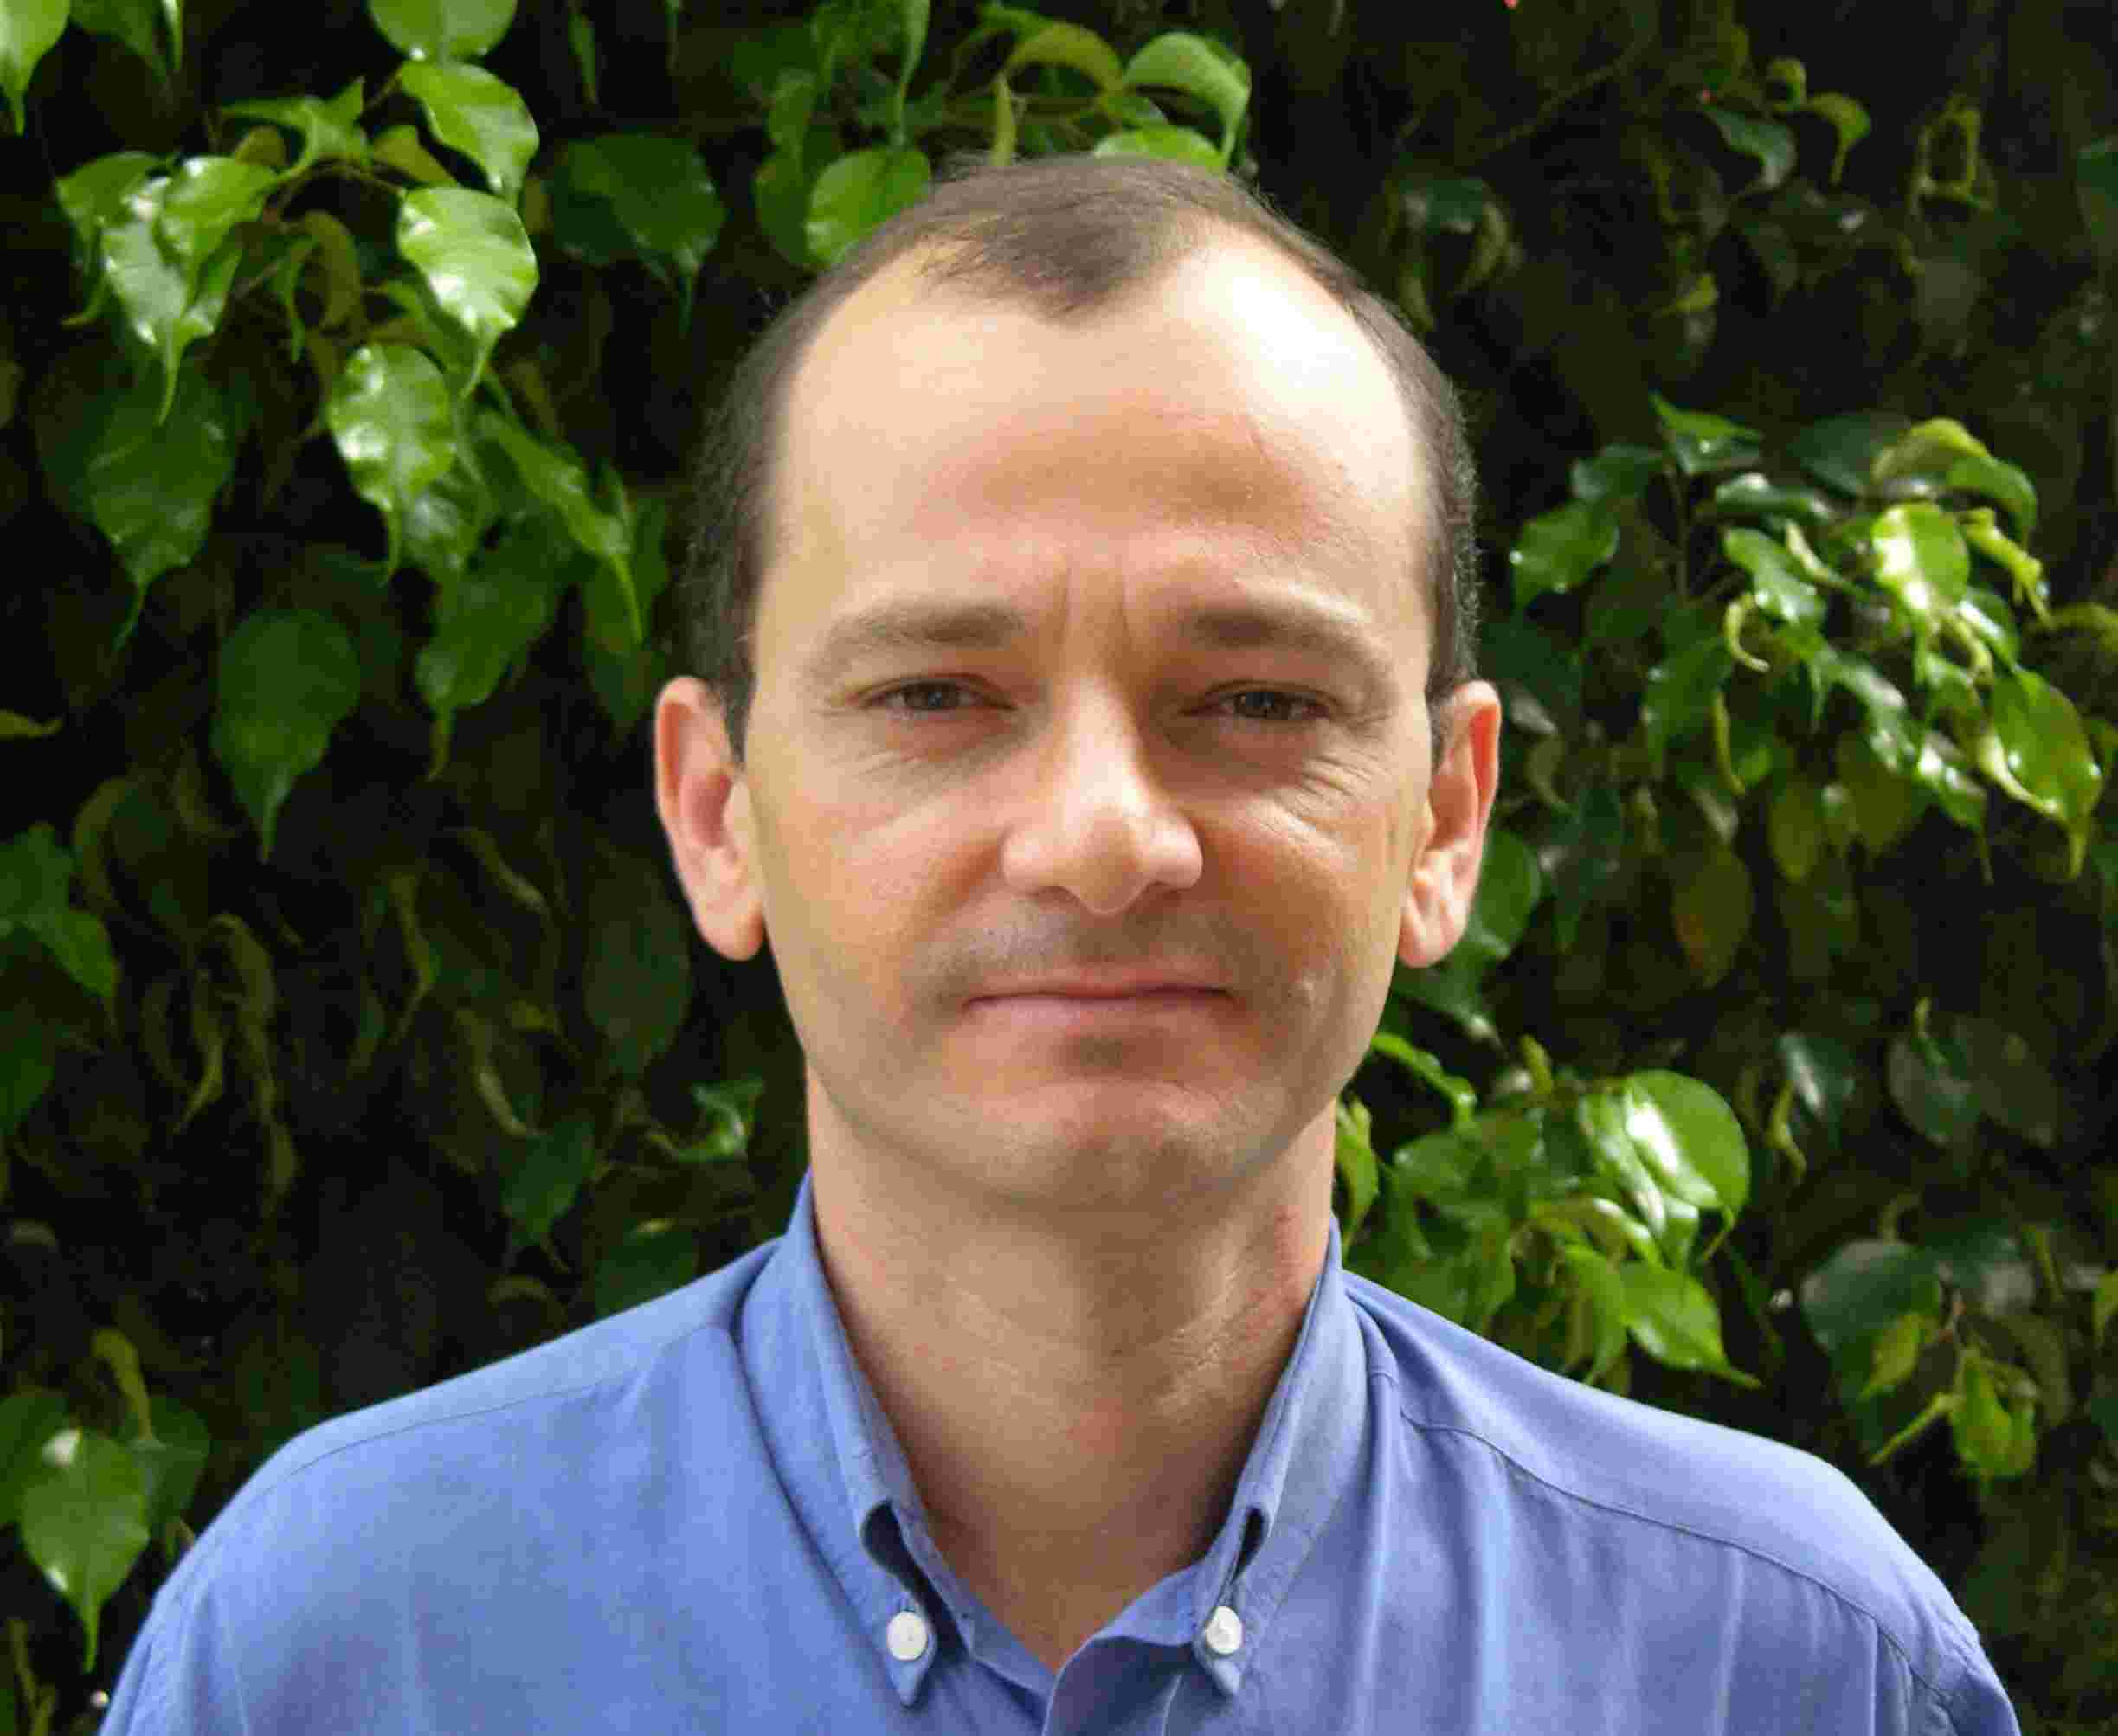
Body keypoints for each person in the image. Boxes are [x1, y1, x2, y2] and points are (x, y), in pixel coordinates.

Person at [100, 154, 2019, 1734]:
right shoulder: (341, 1652)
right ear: (718, 812)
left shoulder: (1790, 1668)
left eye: (1256, 701)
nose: (1104, 837)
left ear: (1444, 818)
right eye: (938, 696)